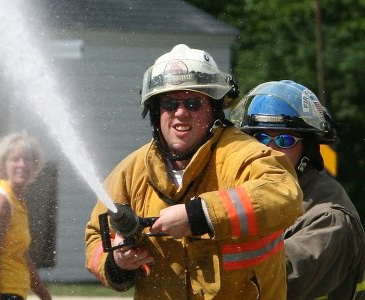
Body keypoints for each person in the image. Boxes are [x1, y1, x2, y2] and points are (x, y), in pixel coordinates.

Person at [85, 44, 303, 299]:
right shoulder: (131, 172)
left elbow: (284, 195)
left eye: (192, 103)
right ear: (156, 112)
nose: (180, 113)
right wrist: (118, 263)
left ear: (213, 109)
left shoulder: (242, 154)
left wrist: (200, 215)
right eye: (168, 104)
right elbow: (95, 239)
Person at [230, 80, 365, 299]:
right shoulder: (250, 194)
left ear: (307, 149)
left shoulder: (328, 218)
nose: (270, 150)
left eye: (285, 140)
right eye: (260, 138)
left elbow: (269, 282)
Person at [0, 131, 52, 300]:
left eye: (27, 159)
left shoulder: (17, 202)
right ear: (3, 165)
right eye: (15, 159)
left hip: (13, 293)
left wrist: (44, 296)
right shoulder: (0, 201)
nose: (22, 164)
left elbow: (21, 255)